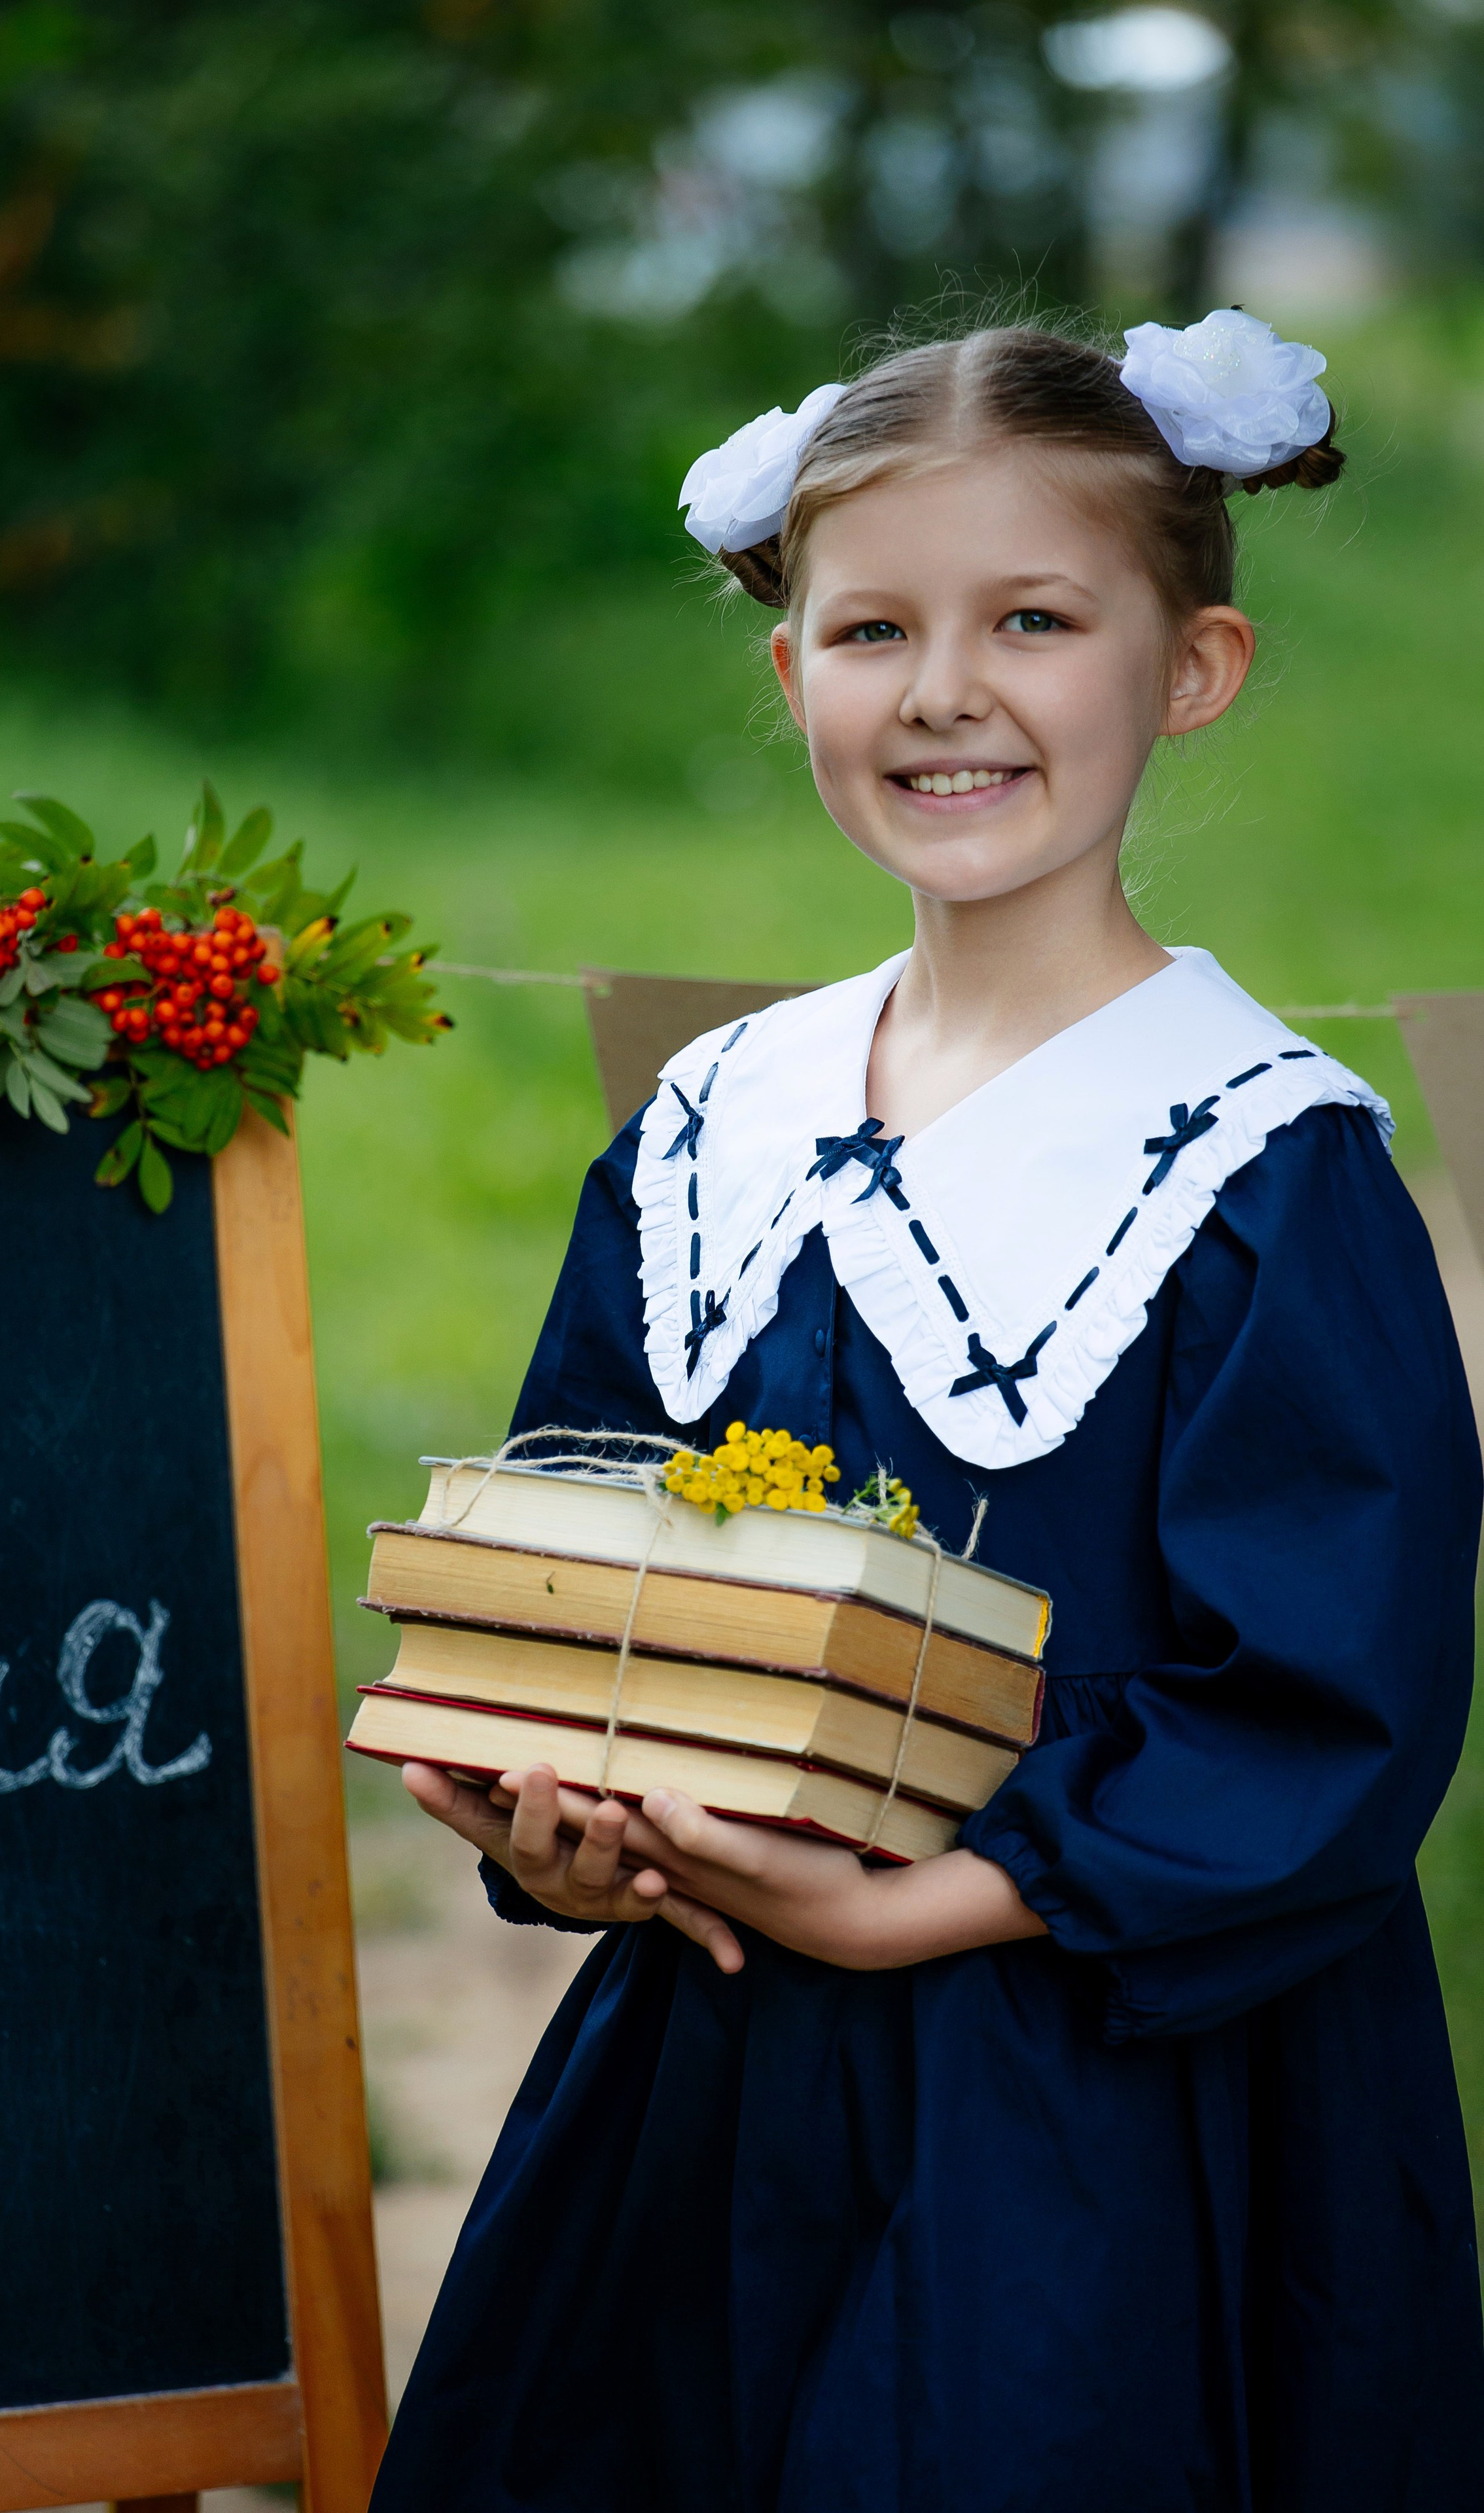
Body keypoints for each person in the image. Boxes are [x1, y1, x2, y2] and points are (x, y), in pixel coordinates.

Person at [370, 313, 1484, 2510]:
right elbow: (576, 1539)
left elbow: (1330, 1707)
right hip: (709, 2077)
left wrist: (914, 1908)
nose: (946, 689)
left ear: (1192, 667)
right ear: (793, 677)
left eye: (1035, 620)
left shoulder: (1258, 1164)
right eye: (874, 626)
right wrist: (549, 1817)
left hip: (1092, 2109)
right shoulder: (719, 1119)